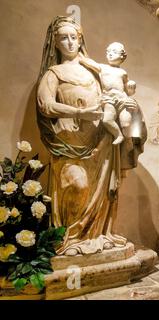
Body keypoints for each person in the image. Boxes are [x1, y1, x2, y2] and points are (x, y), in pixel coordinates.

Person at [36, 16, 129, 255]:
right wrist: (80, 112)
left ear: (80, 40)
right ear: (55, 43)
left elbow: (114, 91)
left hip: (99, 142)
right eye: (63, 38)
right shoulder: (53, 73)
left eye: (73, 38)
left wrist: (124, 103)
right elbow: (45, 106)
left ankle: (97, 234)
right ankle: (71, 238)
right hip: (67, 143)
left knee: (103, 194)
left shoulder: (93, 70)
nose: (69, 43)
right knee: (78, 186)